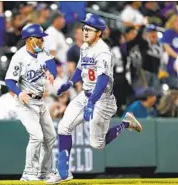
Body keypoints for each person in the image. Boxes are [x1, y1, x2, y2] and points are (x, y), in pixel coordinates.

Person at [46, 13, 143, 184]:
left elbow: (103, 79)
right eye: (84, 28)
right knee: (63, 127)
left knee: (97, 145)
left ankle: (126, 123)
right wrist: (69, 83)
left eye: (89, 29)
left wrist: (92, 103)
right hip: (86, 94)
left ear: (99, 33)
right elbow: (79, 69)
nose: (85, 32)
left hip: (102, 99)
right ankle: (63, 172)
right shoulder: (84, 47)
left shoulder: (103, 52)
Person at [4, 24, 57, 181]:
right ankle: (28, 173)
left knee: (50, 136)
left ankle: (43, 173)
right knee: (37, 137)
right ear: (30, 39)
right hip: (25, 102)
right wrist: (19, 93)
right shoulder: (19, 57)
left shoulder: (42, 52)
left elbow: (52, 65)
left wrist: (51, 73)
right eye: (39, 38)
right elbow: (9, 80)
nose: (42, 40)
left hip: (40, 102)